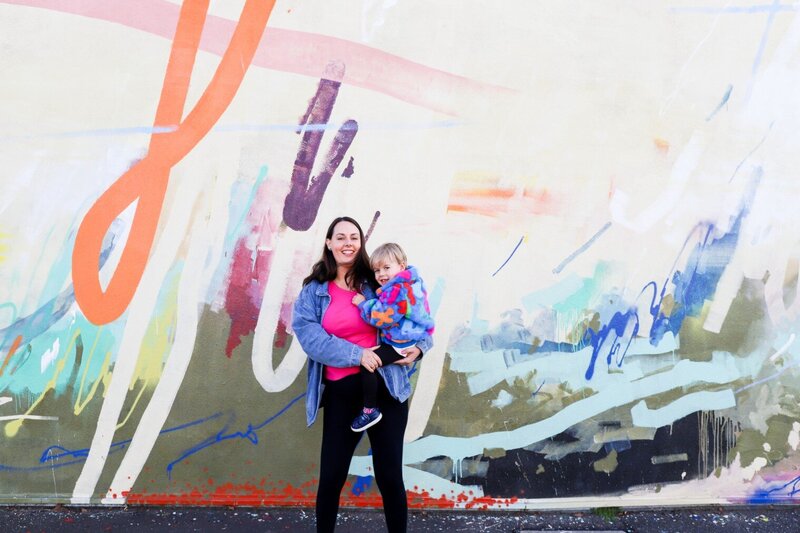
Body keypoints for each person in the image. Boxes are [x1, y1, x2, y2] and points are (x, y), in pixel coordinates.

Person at [291, 216, 433, 533]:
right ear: (328, 243)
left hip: (387, 390)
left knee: (389, 476)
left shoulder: (378, 282)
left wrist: (421, 347)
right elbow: (310, 338)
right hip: (343, 393)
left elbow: (416, 314)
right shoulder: (314, 293)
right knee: (331, 476)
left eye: (354, 237)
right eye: (340, 237)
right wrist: (358, 355)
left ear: (361, 243)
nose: (347, 243)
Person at [350, 243, 434, 432]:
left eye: (387, 268)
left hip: (400, 344)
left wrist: (363, 304)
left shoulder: (397, 291)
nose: (381, 274)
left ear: (402, 266)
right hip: (409, 338)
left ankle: (369, 410)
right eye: (377, 270)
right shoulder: (413, 283)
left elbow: (382, 317)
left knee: (368, 364)